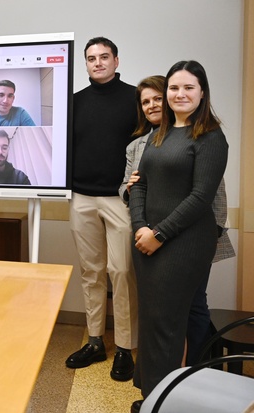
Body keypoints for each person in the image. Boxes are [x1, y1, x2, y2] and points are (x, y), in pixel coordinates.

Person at [128, 61, 228, 410]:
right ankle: (152, 397)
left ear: (202, 92)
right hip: (146, 241)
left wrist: (159, 233)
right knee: (153, 321)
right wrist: (140, 227)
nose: (179, 94)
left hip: (183, 244)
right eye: (174, 88)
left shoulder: (211, 137)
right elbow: (138, 184)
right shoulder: (160, 134)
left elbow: (201, 198)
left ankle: (165, 401)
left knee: (169, 325)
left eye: (188, 87)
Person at [66, 37, 138, 383]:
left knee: (121, 271)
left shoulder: (135, 99)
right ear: (86, 63)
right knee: (91, 272)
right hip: (81, 197)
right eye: (91, 58)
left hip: (118, 200)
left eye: (104, 57)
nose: (97, 63)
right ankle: (95, 341)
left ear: (116, 60)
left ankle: (124, 346)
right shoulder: (75, 102)